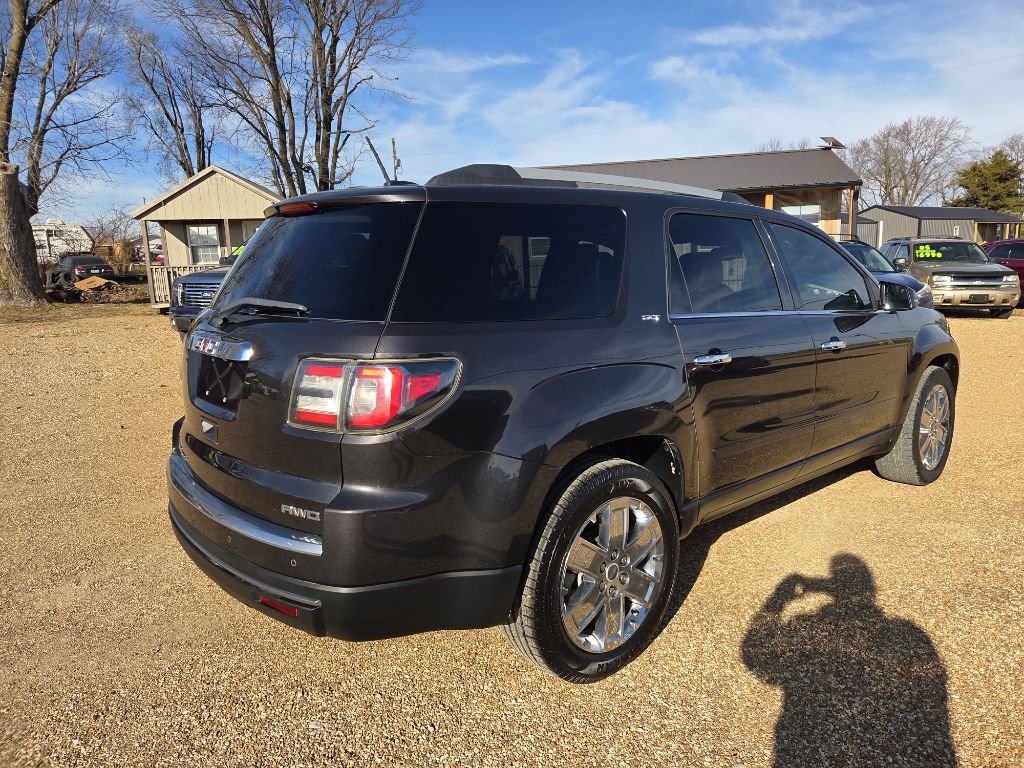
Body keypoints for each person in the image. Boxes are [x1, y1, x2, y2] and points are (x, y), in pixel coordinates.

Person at [741, 554, 957, 767]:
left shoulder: (806, 625)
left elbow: (757, 656)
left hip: (808, 740)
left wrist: (778, 599)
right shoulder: (909, 633)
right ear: (870, 590)